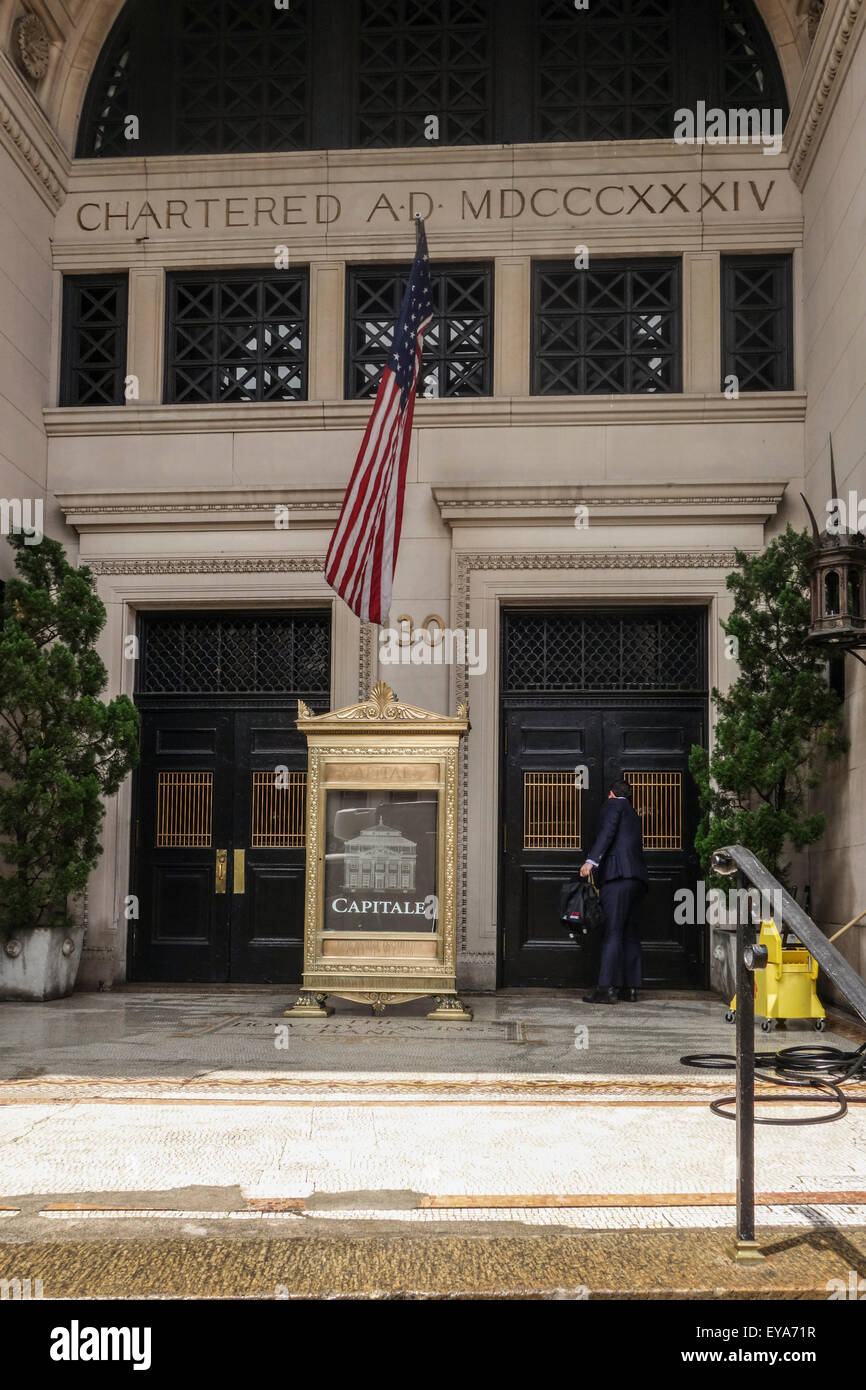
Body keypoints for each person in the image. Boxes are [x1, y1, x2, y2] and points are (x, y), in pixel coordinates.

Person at [579, 778, 649, 1004]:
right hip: (636, 879)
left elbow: (607, 834)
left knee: (612, 931)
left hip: (616, 877)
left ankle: (606, 988)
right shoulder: (633, 813)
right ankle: (630, 988)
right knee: (629, 932)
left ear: (611, 794)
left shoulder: (613, 806)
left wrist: (591, 861)